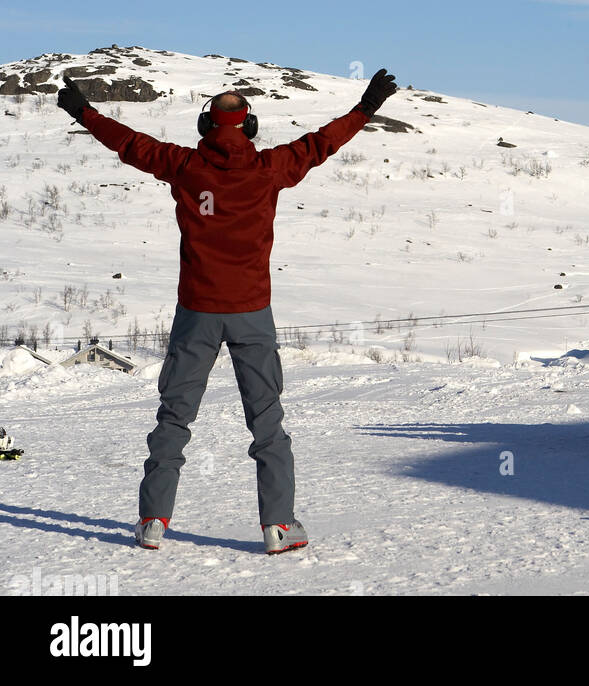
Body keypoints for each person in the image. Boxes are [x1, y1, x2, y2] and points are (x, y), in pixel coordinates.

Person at [56, 68, 398, 554]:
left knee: (174, 417)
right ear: (250, 127)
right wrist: (366, 108)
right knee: (266, 421)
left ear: (204, 126)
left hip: (196, 310)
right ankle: (278, 526)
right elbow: (322, 143)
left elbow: (129, 143)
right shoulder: (271, 167)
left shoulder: (183, 165)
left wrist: (85, 112)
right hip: (251, 311)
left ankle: (153, 520)